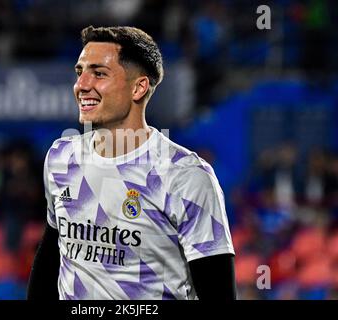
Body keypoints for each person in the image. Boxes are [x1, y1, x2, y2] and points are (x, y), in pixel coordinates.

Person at [27, 26, 236, 300]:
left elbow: (218, 291)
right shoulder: (61, 157)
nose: (82, 85)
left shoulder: (185, 175)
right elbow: (52, 251)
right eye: (80, 72)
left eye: (99, 73)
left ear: (139, 87)